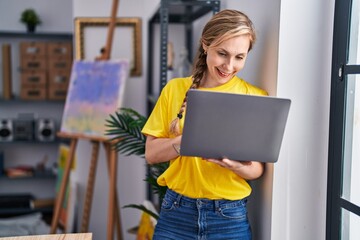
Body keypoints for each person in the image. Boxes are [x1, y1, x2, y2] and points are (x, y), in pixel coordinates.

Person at [141, 9, 268, 240]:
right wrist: (186, 141)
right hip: (176, 212)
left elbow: (257, 168)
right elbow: (151, 154)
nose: (229, 66)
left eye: (239, 57)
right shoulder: (175, 89)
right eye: (222, 53)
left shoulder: (255, 97)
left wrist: (234, 165)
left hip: (229, 217)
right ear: (205, 44)